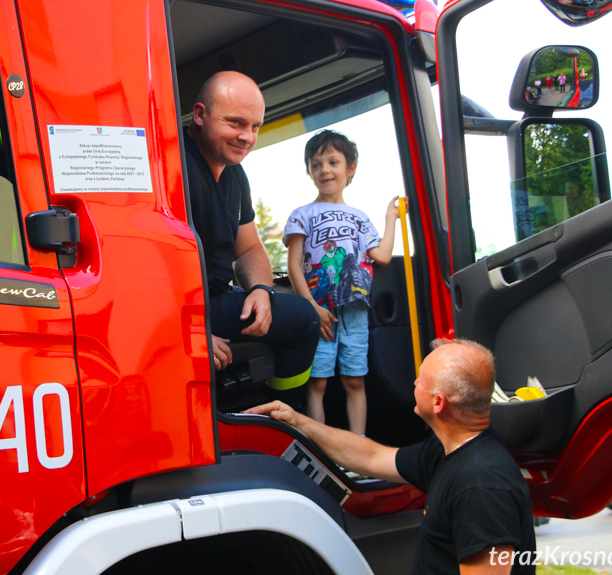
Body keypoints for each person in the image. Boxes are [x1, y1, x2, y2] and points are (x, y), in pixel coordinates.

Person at [244, 339, 537, 575]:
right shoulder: (448, 450)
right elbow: (372, 457)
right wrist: (299, 422)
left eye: (421, 380)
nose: (414, 383)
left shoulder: (481, 486)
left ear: (438, 403)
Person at [184, 71, 320, 392]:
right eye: (235, 123)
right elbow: (142, 267)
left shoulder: (236, 173)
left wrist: (261, 290)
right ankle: (287, 412)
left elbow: (248, 249)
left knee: (283, 304)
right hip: (180, 308)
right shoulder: (173, 165)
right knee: (304, 318)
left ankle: (276, 412)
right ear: (200, 115)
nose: (247, 136)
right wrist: (190, 330)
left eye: (255, 126)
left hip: (214, 298)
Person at [283, 130, 406, 434]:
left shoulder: (360, 217)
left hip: (355, 309)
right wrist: (311, 308)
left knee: (355, 379)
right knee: (318, 382)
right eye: (316, 164)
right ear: (310, 172)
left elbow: (382, 255)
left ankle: (358, 445)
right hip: (320, 309)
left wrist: (391, 218)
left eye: (333, 162)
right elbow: (294, 266)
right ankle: (321, 448)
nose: (324, 170)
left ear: (349, 168)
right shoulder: (302, 215)